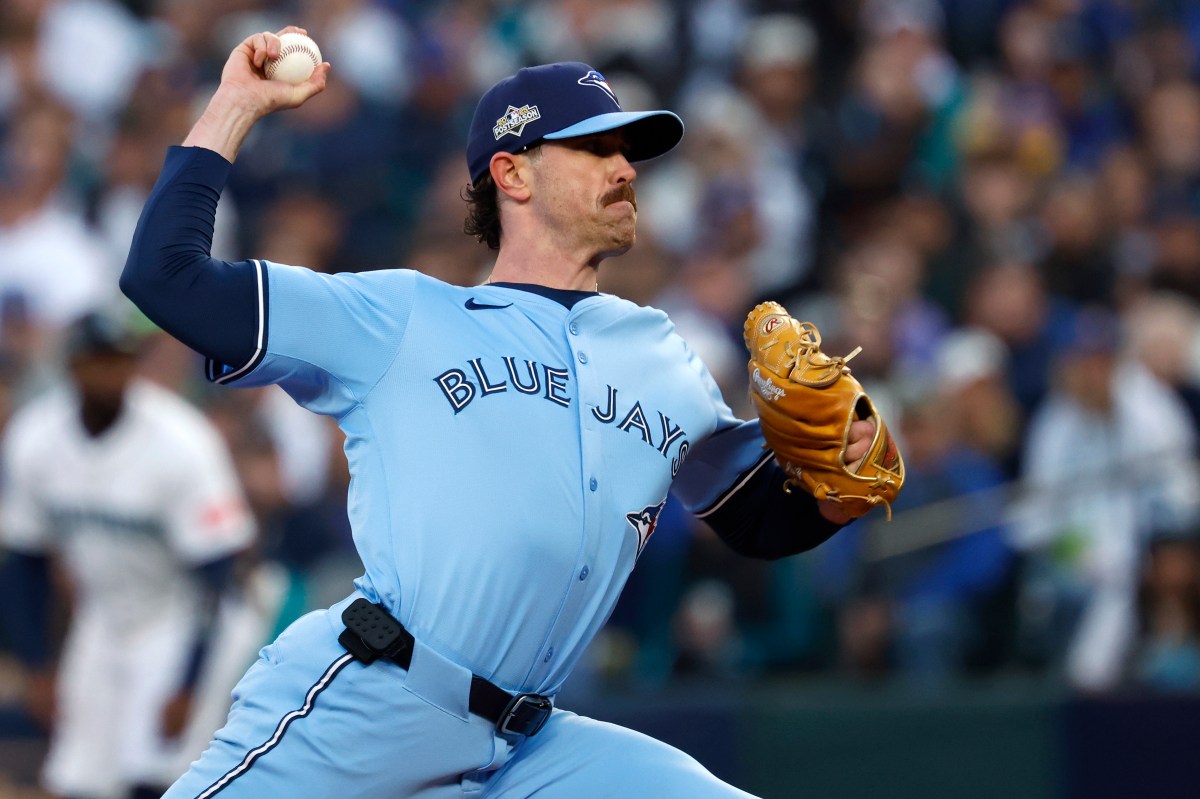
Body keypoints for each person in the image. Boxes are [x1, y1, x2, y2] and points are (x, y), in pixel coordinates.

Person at [119, 27, 880, 798]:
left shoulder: (664, 356)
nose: (625, 169)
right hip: (374, 704)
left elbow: (755, 520)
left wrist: (836, 477)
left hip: (531, 746)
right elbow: (165, 278)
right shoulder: (398, 315)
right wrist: (234, 105)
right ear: (512, 174)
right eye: (594, 149)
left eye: (629, 152)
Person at [0, 312, 259, 799]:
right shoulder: (37, 437)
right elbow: (25, 562)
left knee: (158, 777)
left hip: (184, 616)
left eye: (120, 362)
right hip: (106, 614)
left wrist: (189, 684)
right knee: (78, 776)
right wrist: (37, 666)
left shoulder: (180, 440)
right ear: (72, 367)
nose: (111, 374)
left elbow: (218, 574)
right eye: (99, 362)